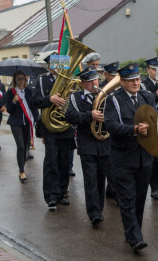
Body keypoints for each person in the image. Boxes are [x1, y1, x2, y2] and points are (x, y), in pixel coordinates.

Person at [104, 63, 156, 253]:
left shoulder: (147, 96)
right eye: (131, 80)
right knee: (127, 199)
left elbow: (155, 121)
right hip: (123, 159)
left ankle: (134, 232)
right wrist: (134, 129)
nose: (136, 82)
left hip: (145, 158)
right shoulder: (113, 100)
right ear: (122, 82)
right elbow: (111, 125)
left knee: (140, 199)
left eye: (137, 79)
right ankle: (135, 238)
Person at [65, 67, 110, 227]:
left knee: (100, 179)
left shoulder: (105, 95)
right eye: (90, 81)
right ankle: (94, 213)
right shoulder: (76, 98)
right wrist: (89, 115)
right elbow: (69, 116)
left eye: (96, 80)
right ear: (83, 83)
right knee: (90, 179)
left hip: (104, 143)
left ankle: (99, 209)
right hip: (87, 143)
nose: (94, 83)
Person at [32, 52, 74, 211]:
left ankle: (62, 192)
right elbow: (34, 101)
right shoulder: (42, 80)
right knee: (51, 161)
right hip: (49, 127)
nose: (57, 68)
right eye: (53, 65)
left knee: (64, 161)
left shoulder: (68, 80)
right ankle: (51, 195)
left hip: (65, 126)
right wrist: (49, 99)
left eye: (59, 64)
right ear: (48, 66)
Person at [140, 56, 158, 200]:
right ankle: (152, 187)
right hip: (150, 123)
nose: (156, 72)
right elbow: (144, 102)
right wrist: (157, 93)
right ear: (148, 70)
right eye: (153, 69)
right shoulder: (143, 84)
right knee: (152, 158)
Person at [4, 70, 39, 182]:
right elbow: (9, 109)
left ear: (25, 80)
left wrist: (37, 119)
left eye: (22, 79)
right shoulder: (11, 92)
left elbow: (33, 107)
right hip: (15, 122)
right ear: (15, 80)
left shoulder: (29, 92)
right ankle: (22, 170)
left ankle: (22, 167)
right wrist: (14, 102)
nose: (20, 81)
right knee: (20, 146)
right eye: (18, 79)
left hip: (27, 123)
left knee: (26, 147)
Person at [99, 61, 120, 203]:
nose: (113, 78)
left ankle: (113, 190)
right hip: (104, 129)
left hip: (117, 129)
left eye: (115, 75)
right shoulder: (100, 89)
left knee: (115, 162)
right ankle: (110, 189)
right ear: (105, 74)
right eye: (110, 75)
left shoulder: (120, 89)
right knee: (107, 162)